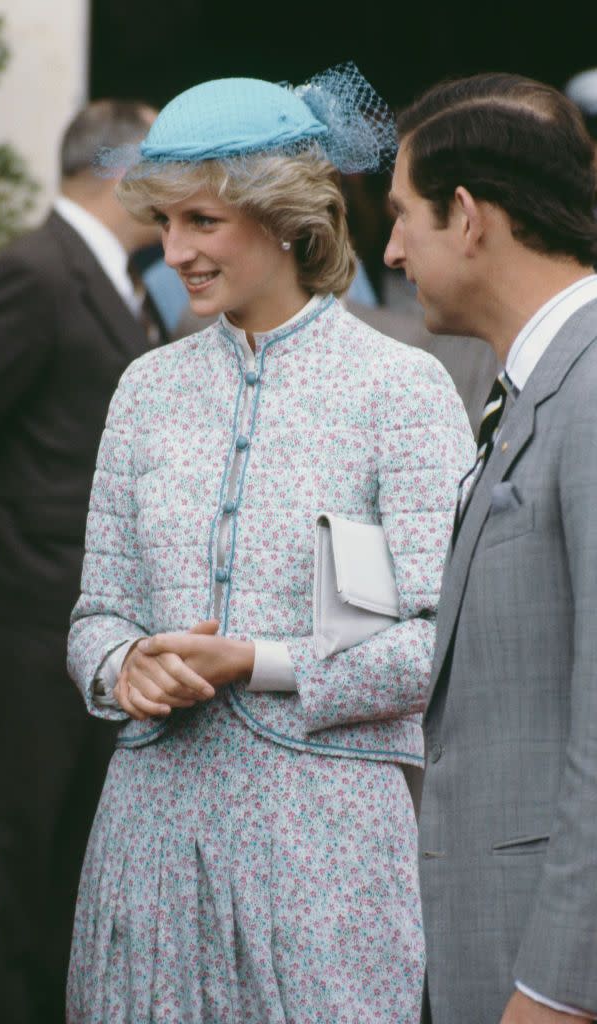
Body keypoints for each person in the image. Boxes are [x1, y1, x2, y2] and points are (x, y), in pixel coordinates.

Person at [66, 65, 474, 1023]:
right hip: (150, 831)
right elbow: (94, 614)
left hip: (325, 840)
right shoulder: (145, 391)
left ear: (287, 218)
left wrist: (257, 661)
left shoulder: (401, 390)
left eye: (201, 223)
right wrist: (125, 667)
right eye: (164, 223)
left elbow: (437, 646)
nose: (173, 252)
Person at [0, 100, 164, 1023]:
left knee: (71, 839)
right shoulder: (35, 272)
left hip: (86, 613)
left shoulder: (122, 281)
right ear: (121, 169)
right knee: (12, 835)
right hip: (25, 601)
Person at [384, 72, 597, 1023]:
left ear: (466, 215)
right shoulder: (536, 382)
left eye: (401, 217)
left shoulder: (589, 392)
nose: (388, 251)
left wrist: (558, 987)